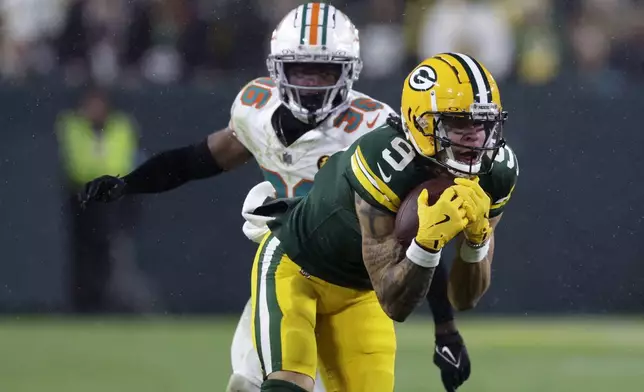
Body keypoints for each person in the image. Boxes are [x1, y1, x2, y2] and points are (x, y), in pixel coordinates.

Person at [243, 52, 519, 392]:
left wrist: (477, 245)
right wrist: (425, 248)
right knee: (289, 385)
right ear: (420, 121)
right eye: (458, 123)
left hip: (360, 293)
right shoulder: (382, 162)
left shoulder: (497, 171)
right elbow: (394, 301)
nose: (476, 138)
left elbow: (465, 298)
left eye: (483, 123)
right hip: (297, 267)